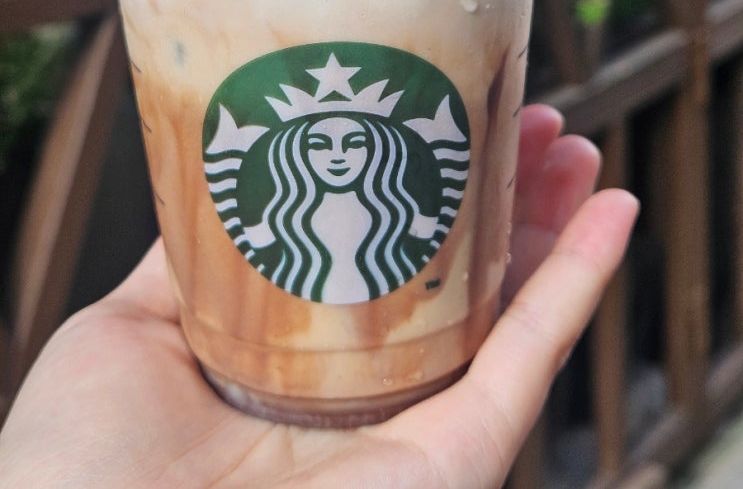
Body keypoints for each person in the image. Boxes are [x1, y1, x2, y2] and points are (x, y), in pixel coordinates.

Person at [0, 104, 638, 489]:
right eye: (318, 142)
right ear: (293, 153)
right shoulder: (278, 225)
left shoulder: (400, 219)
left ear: (379, 147)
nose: (337, 156)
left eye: (354, 141)